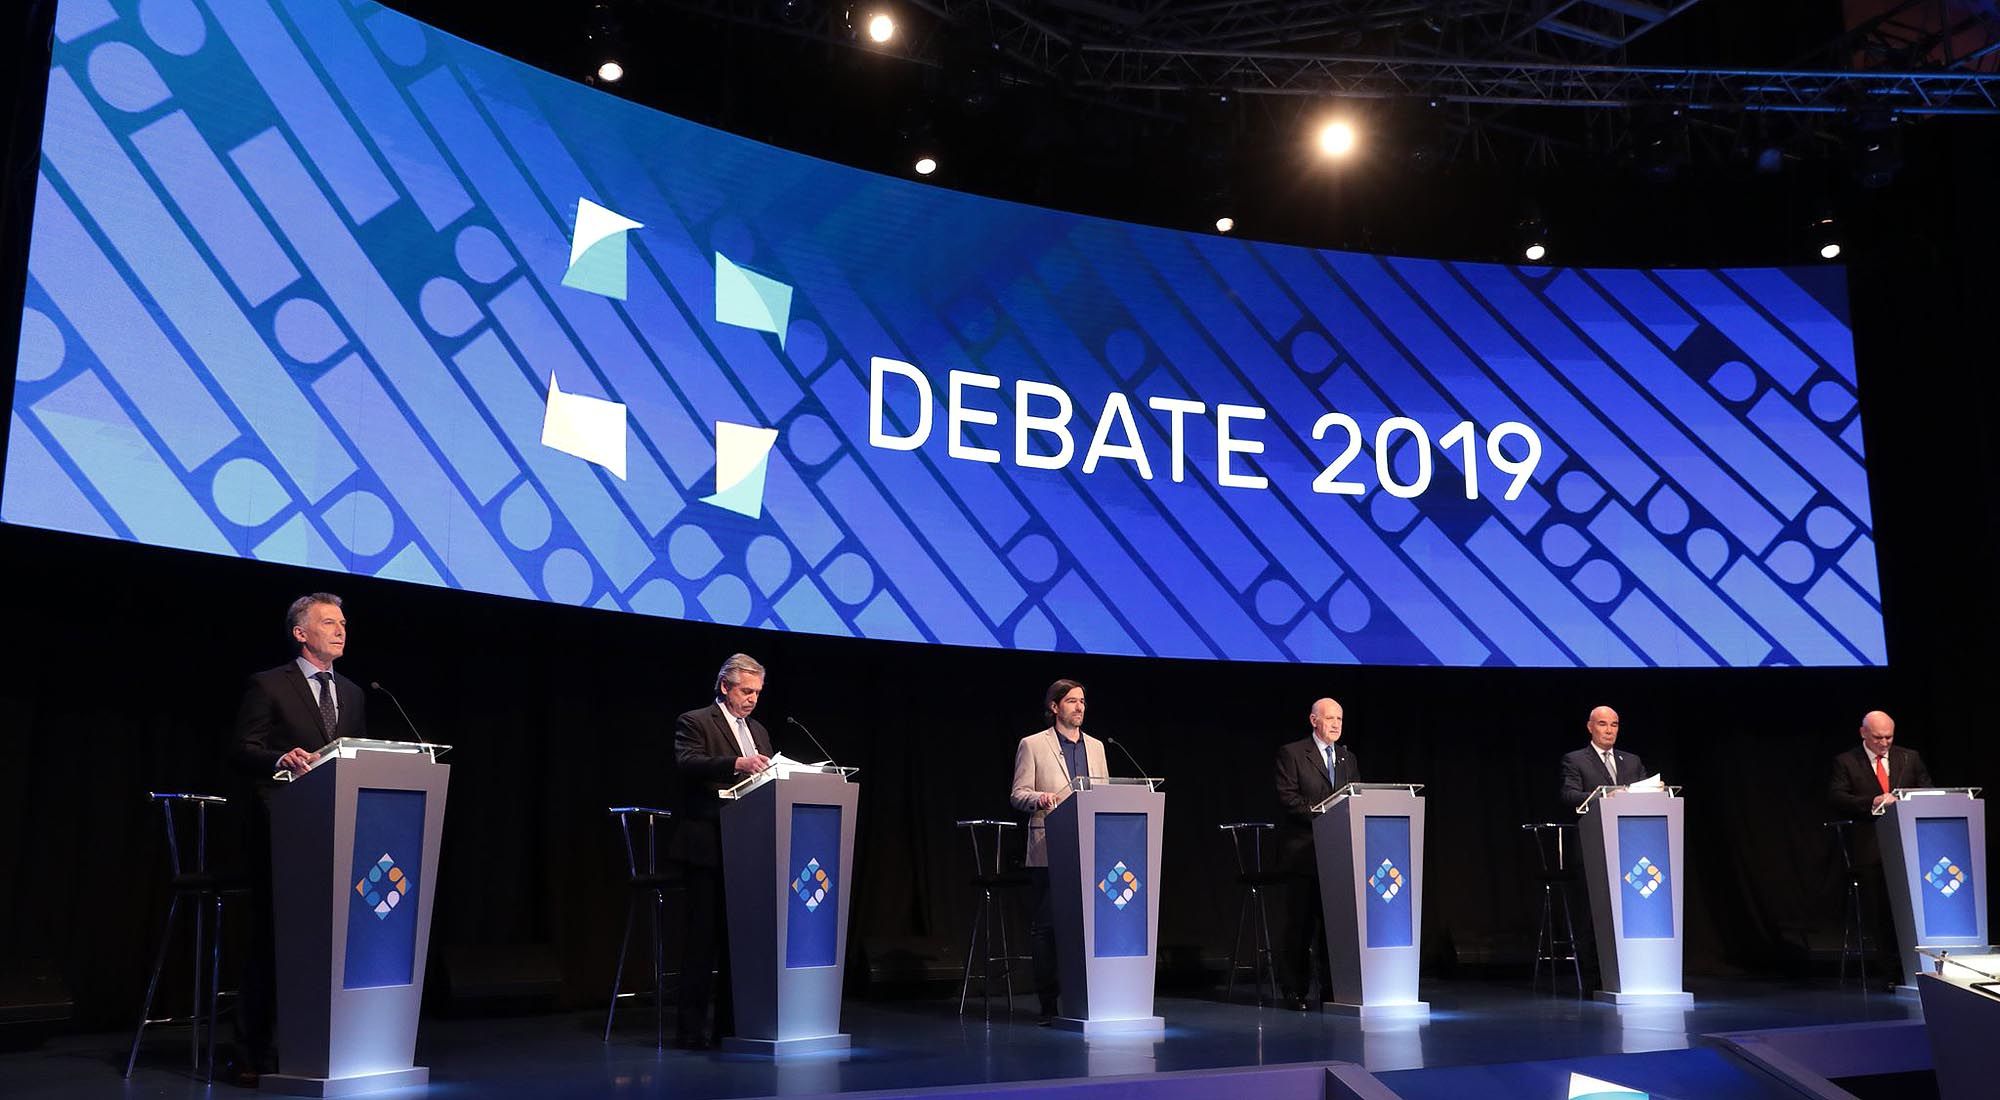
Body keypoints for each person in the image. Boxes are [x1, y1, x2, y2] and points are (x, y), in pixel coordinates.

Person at [225, 593, 368, 1084]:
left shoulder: (353, 693)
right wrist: (279, 758)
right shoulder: (268, 684)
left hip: (336, 831)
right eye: (329, 622)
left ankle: (313, 1050)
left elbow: (355, 760)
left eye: (344, 622)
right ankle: (250, 1054)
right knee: (272, 943)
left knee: (327, 947)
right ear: (300, 633)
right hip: (280, 829)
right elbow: (243, 748)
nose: (341, 629)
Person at [669, 653, 773, 1050]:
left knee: (740, 941)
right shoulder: (695, 721)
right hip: (706, 844)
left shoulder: (759, 730)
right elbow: (688, 762)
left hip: (749, 848)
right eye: (746, 691)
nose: (751, 700)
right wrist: (736, 762)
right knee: (702, 940)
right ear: (725, 687)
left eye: (757, 693)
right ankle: (690, 1031)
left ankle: (731, 1026)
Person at [1009, 679, 1108, 1025]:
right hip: (1048, 848)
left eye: (1082, 701)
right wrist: (1041, 798)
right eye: (1071, 701)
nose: (1079, 707)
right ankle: (1049, 1003)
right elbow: (1017, 793)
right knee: (1047, 929)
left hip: (1090, 850)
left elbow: (1105, 795)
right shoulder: (1033, 745)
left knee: (1088, 928)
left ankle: (1087, 1000)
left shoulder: (1096, 747)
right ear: (1054, 707)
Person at [1828, 710, 1933, 982]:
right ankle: (1889, 972)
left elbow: (1927, 789)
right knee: (1880, 908)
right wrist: (1872, 801)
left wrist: (1908, 800)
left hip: (1908, 843)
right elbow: (1837, 797)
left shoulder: (1909, 757)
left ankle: (1920, 968)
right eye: (1878, 737)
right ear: (1863, 733)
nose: (1884, 743)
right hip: (1870, 846)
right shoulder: (1847, 762)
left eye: (1889, 737)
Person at [1273, 698, 1361, 1010]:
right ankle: (1294, 990)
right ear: (1314, 720)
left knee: (1335, 927)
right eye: (1329, 718)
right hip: (1303, 855)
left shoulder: (1347, 758)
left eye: (1340, 718)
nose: (1336, 724)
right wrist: (1324, 815)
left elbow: (1355, 798)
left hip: (1338, 856)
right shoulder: (1293, 753)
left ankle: (1332, 989)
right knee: (1299, 926)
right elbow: (1288, 798)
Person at [1559, 706, 1644, 809]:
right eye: (1602, 724)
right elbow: (1569, 795)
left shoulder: (1633, 761)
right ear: (1590, 727)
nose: (1609, 731)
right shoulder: (1575, 760)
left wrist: (1655, 788)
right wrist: (1603, 797)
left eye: (1614, 725)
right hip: (1596, 822)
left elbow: (1644, 791)